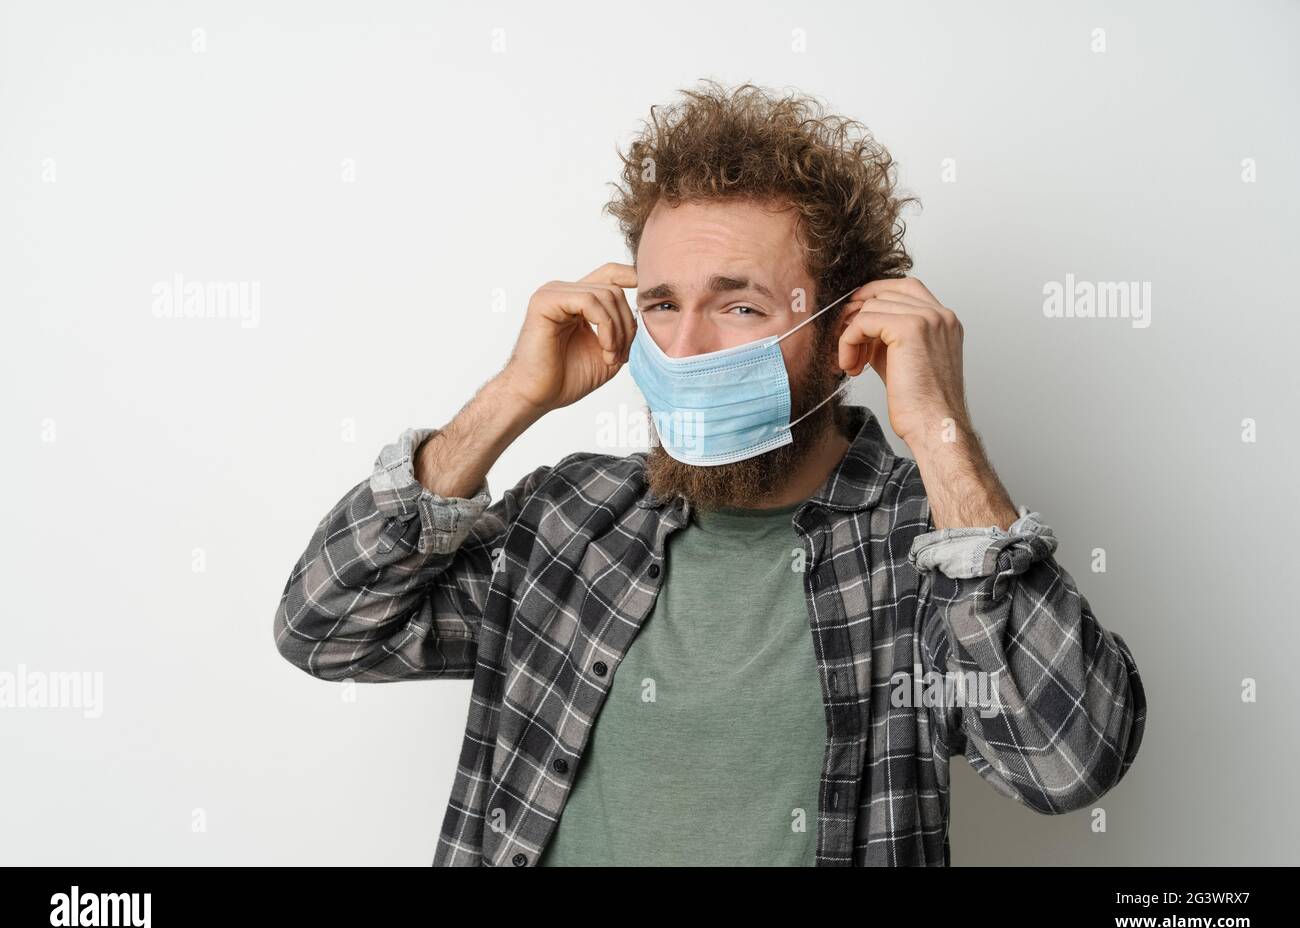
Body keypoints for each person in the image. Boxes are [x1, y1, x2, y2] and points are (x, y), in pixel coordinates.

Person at [273, 80, 1145, 867]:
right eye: (660, 305)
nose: (684, 349)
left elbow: (1068, 762)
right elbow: (325, 627)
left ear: (848, 335)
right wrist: (510, 399)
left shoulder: (929, 551)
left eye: (738, 305)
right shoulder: (572, 521)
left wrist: (941, 432)